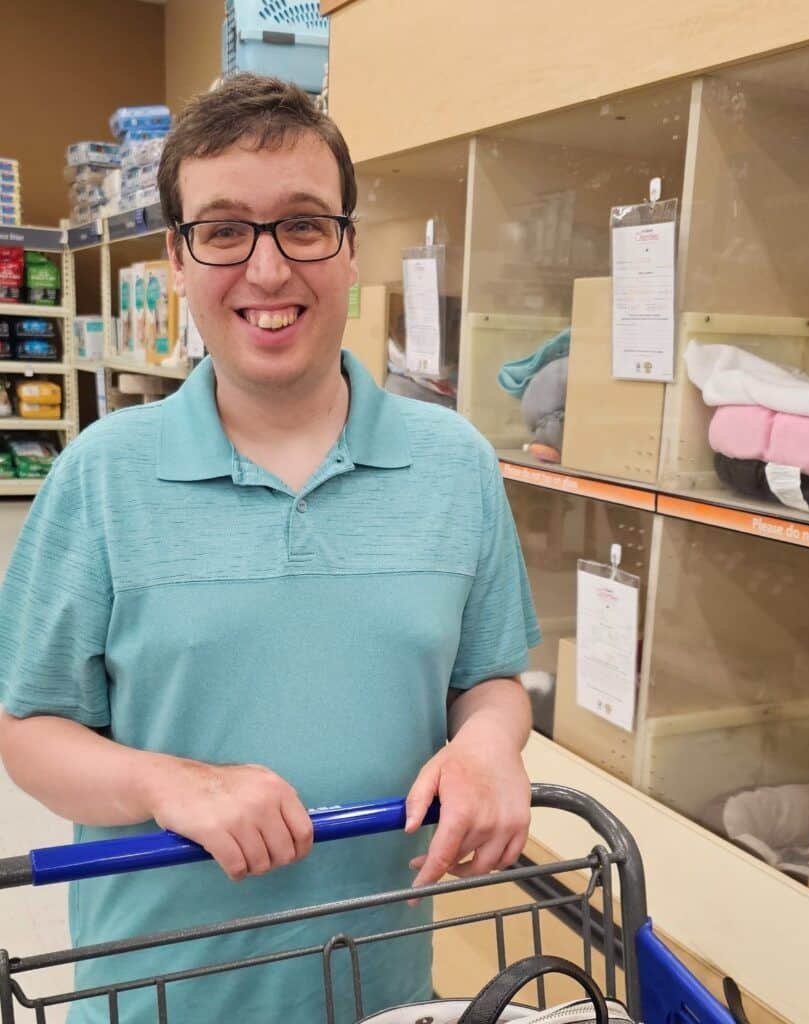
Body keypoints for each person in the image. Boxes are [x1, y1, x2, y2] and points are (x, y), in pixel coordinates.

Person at [0, 74, 539, 1022]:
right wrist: (166, 782)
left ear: (350, 245)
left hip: (380, 992)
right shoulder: (100, 478)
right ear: (176, 257)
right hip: (156, 996)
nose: (266, 270)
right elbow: (28, 732)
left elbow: (487, 676)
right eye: (222, 230)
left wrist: (492, 744)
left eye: (302, 223)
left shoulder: (455, 466)